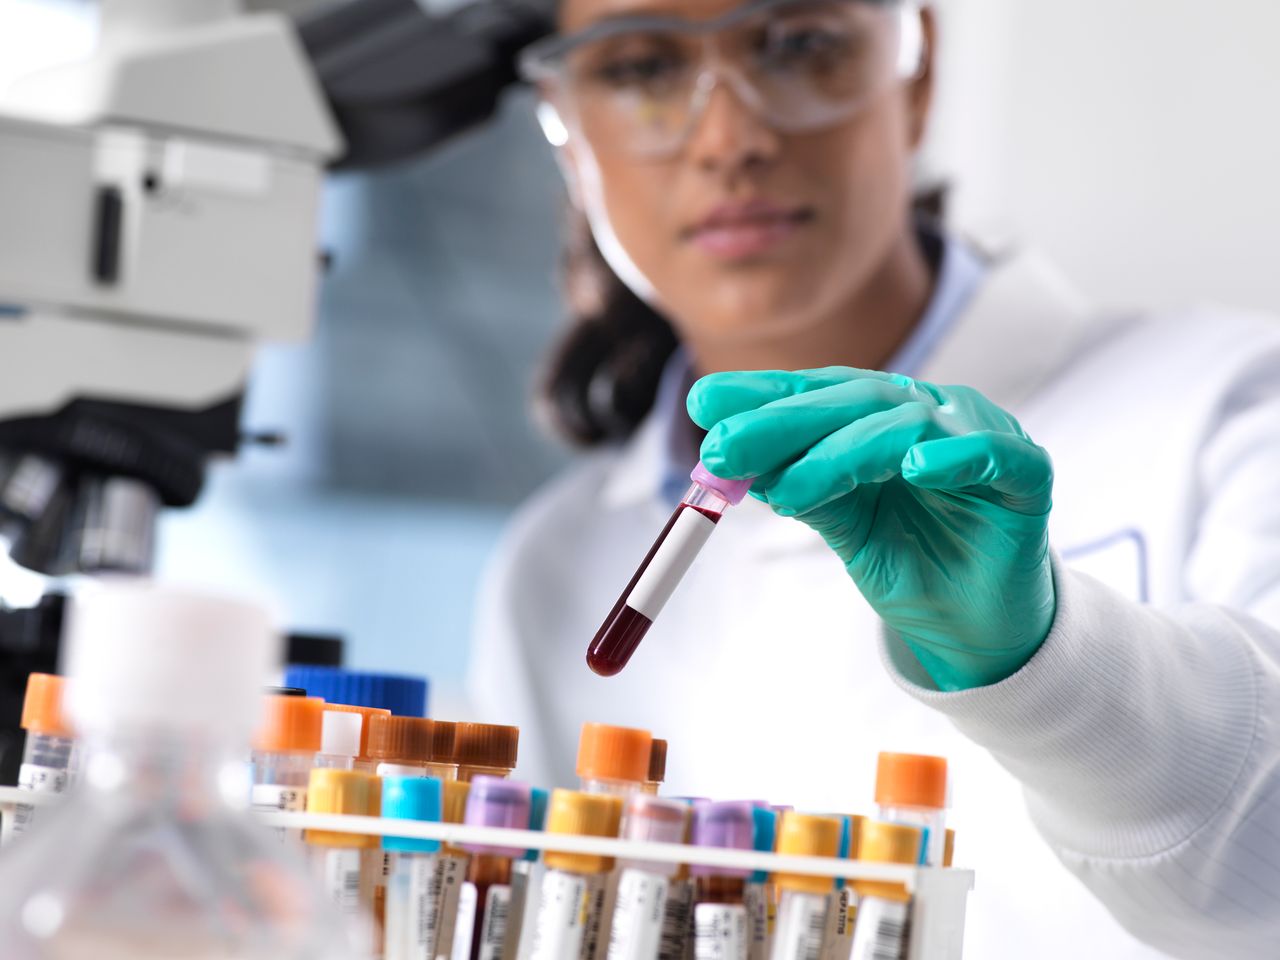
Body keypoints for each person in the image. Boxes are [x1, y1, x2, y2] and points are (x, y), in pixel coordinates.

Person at [468, 1, 1280, 956]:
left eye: (799, 44)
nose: (731, 138)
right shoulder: (551, 567)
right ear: (566, 130)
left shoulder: (1233, 411)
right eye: (640, 68)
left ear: (917, 68)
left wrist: (1049, 667)